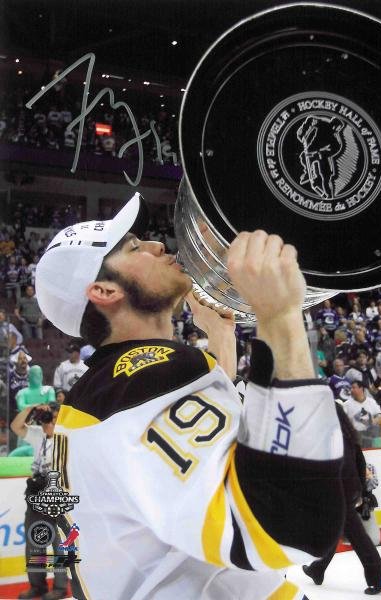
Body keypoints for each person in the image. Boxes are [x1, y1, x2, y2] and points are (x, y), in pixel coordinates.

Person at [35, 195, 344, 600]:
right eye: (134, 247)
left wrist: (221, 341)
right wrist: (279, 315)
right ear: (105, 290)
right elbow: (291, 522)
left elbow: (188, 463)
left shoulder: (104, 391)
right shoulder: (141, 381)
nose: (156, 245)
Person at [302, 405, 381, 595]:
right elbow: (361, 462)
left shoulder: (323, 437)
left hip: (336, 492)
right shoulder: (349, 435)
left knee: (357, 536)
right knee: (336, 529)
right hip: (349, 489)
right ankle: (317, 569)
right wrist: (360, 489)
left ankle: (378, 577)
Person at [10, 403, 68, 600]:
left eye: (53, 418)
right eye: (47, 418)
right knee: (35, 541)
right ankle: (37, 586)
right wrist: (31, 409)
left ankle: (60, 588)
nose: (49, 422)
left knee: (59, 543)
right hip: (35, 492)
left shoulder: (68, 438)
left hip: (57, 494)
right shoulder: (37, 433)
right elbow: (15, 427)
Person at [343, 381, 381, 448]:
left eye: (353, 388)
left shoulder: (371, 401)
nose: (351, 390)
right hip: (356, 434)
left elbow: (380, 415)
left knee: (377, 430)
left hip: (370, 432)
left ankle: (379, 450)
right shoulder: (346, 404)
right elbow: (344, 421)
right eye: (351, 388)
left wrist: (374, 421)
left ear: (361, 388)